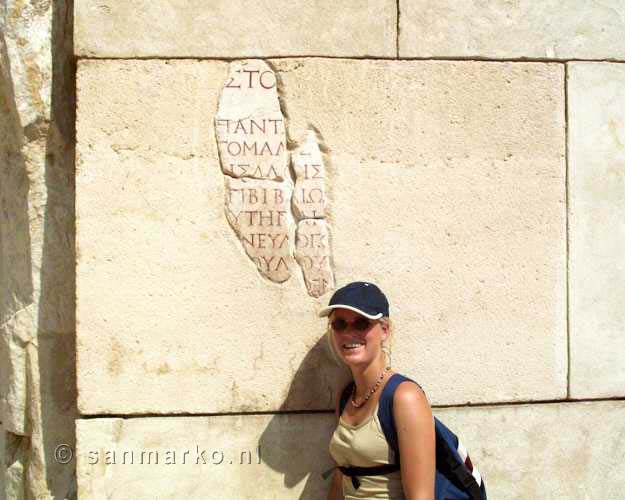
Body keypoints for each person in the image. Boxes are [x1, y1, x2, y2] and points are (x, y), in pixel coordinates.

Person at [321, 281, 436, 500]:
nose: (348, 333)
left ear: (384, 330)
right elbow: (341, 476)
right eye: (340, 324)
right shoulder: (346, 396)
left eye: (361, 323)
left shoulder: (405, 397)